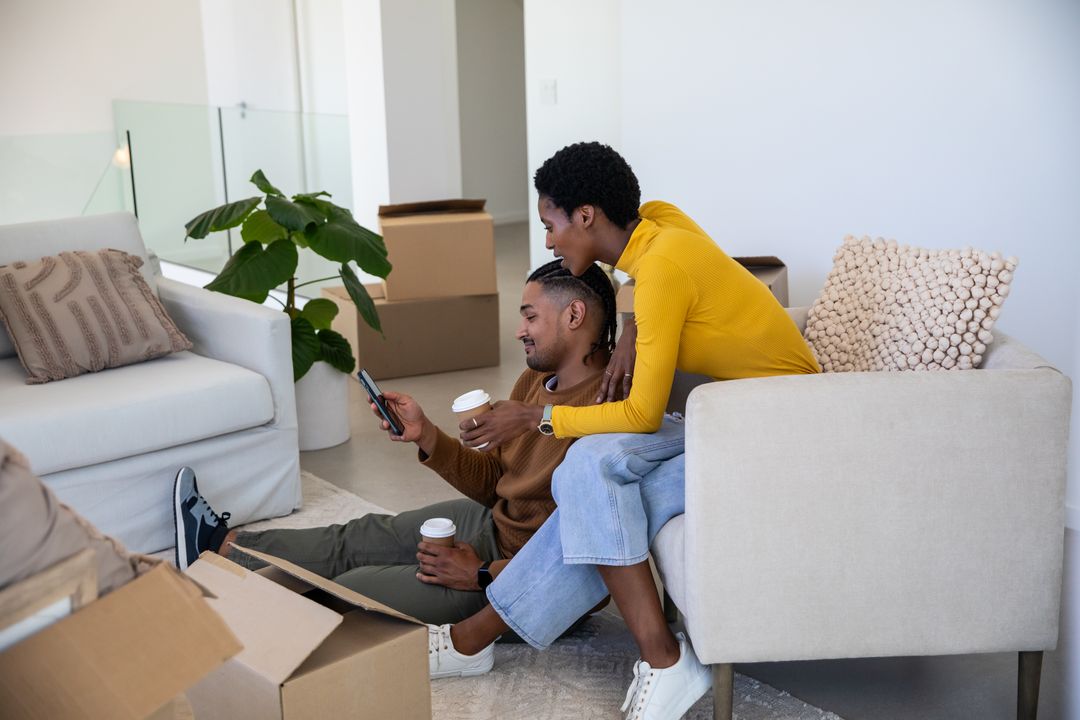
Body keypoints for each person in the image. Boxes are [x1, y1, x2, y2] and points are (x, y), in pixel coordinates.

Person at [436, 142, 821, 720]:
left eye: (550, 224)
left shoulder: (662, 263)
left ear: (586, 216)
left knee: (592, 472)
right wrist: (637, 326)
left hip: (786, 432)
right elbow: (673, 270)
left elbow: (640, 415)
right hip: (733, 419)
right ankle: (657, 661)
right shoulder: (660, 221)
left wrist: (534, 416)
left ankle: (486, 640)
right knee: (595, 482)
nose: (547, 242)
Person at [173, 259, 617, 678]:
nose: (519, 331)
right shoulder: (537, 381)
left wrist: (480, 572)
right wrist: (425, 434)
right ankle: (221, 547)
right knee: (360, 536)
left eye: (530, 317)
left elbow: (583, 563)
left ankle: (219, 627)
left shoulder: (609, 416)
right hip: (493, 523)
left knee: (350, 589)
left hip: (514, 578)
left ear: (574, 315)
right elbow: (494, 485)